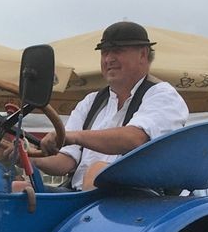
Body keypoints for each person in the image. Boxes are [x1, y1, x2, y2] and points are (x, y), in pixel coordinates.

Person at [30, 22, 188, 190]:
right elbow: (66, 161)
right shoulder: (91, 102)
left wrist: (75, 136)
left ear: (143, 54)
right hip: (80, 197)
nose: (108, 59)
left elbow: (134, 138)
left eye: (117, 51)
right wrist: (29, 157)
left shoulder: (163, 95)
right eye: (104, 52)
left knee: (97, 171)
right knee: (19, 188)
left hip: (137, 197)